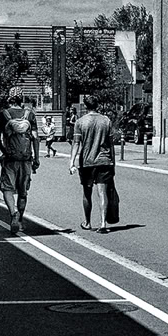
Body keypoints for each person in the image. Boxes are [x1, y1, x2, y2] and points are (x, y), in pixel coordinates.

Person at [68, 94, 115, 233]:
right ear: (97, 105)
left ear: (85, 106)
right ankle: (102, 223)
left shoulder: (80, 122)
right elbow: (111, 143)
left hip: (87, 161)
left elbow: (76, 143)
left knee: (87, 193)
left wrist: (71, 162)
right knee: (102, 192)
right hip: (104, 160)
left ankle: (87, 222)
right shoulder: (106, 121)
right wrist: (113, 162)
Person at [0, 93, 39, 234]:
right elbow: (35, 138)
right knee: (23, 191)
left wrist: (4, 151)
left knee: (7, 188)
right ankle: (20, 220)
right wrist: (36, 157)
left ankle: (13, 213)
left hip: (10, 159)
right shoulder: (30, 115)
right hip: (26, 159)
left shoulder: (4, 115)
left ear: (9, 100)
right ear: (22, 101)